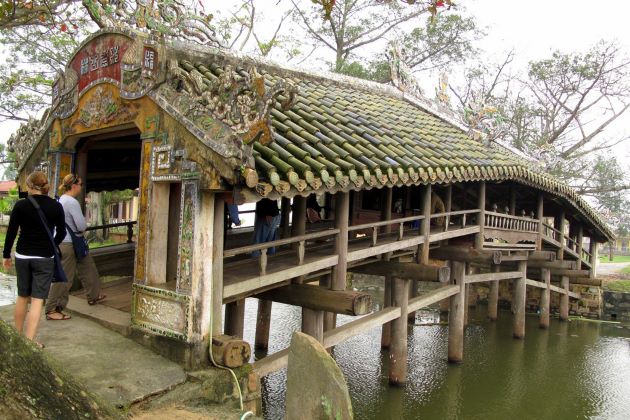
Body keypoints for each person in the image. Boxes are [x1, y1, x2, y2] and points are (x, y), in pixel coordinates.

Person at [2, 171, 66, 347]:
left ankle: (18, 337)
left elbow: (12, 232)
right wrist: (51, 243)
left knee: (22, 296)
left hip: (23, 255)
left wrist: (6, 254)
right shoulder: (55, 206)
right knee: (37, 300)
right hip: (44, 257)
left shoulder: (21, 205)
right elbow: (62, 232)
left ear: (30, 186)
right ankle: (29, 343)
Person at [46, 174, 104, 316]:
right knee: (65, 277)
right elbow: (81, 226)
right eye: (81, 184)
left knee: (88, 267)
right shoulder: (71, 202)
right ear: (74, 186)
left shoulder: (60, 200)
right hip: (69, 243)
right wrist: (86, 224)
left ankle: (93, 295)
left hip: (68, 242)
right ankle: (52, 308)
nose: (82, 187)